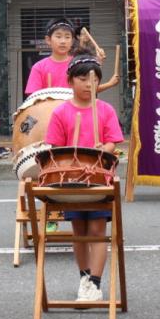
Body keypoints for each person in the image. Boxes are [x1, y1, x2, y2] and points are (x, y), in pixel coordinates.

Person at [43, 52, 125, 301]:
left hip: (99, 178)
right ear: (70, 82)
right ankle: (84, 277)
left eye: (94, 80)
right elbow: (55, 148)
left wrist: (104, 150)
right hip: (72, 181)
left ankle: (96, 283)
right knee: (78, 230)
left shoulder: (105, 110)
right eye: (83, 80)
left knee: (97, 230)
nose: (89, 85)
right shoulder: (61, 113)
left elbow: (113, 142)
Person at [25, 17, 112, 95]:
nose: (63, 41)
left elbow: (89, 89)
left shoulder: (79, 64)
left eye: (67, 37)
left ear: (72, 40)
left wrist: (98, 63)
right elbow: (33, 98)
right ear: (48, 40)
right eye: (58, 36)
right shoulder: (39, 67)